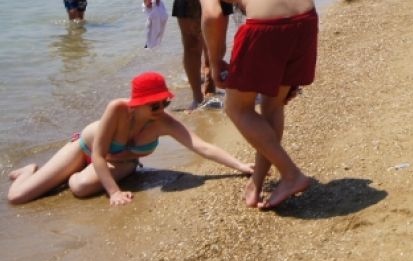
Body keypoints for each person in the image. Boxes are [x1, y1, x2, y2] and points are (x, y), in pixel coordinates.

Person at [186, 0, 318, 209]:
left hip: (267, 22)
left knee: (236, 108)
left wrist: (213, 63)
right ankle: (257, 182)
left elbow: (212, 15)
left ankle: (291, 175)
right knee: (273, 104)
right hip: (307, 15)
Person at [7, 72, 252, 206]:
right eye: (154, 105)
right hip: (85, 149)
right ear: (137, 104)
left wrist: (240, 166)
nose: (161, 109)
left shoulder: (164, 122)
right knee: (18, 197)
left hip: (120, 162)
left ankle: (72, 175)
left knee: (79, 187)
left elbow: (201, 146)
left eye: (164, 102)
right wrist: (114, 192)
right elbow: (98, 155)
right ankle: (29, 170)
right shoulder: (117, 109)